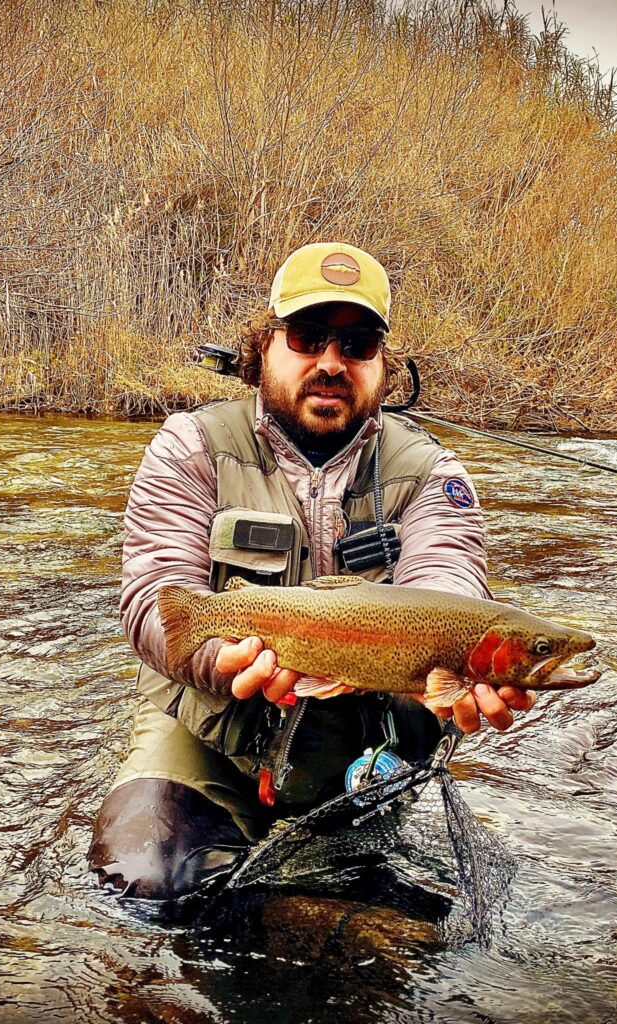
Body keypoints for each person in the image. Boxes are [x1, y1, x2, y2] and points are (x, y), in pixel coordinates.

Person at [88, 242, 537, 901]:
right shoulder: (194, 445)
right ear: (265, 347)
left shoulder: (432, 472)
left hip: (358, 757)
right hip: (213, 740)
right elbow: (155, 603)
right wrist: (222, 661)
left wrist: (458, 667)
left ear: (382, 366)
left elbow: (450, 582)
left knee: (376, 933)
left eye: (356, 344)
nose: (330, 362)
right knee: (143, 884)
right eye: (307, 337)